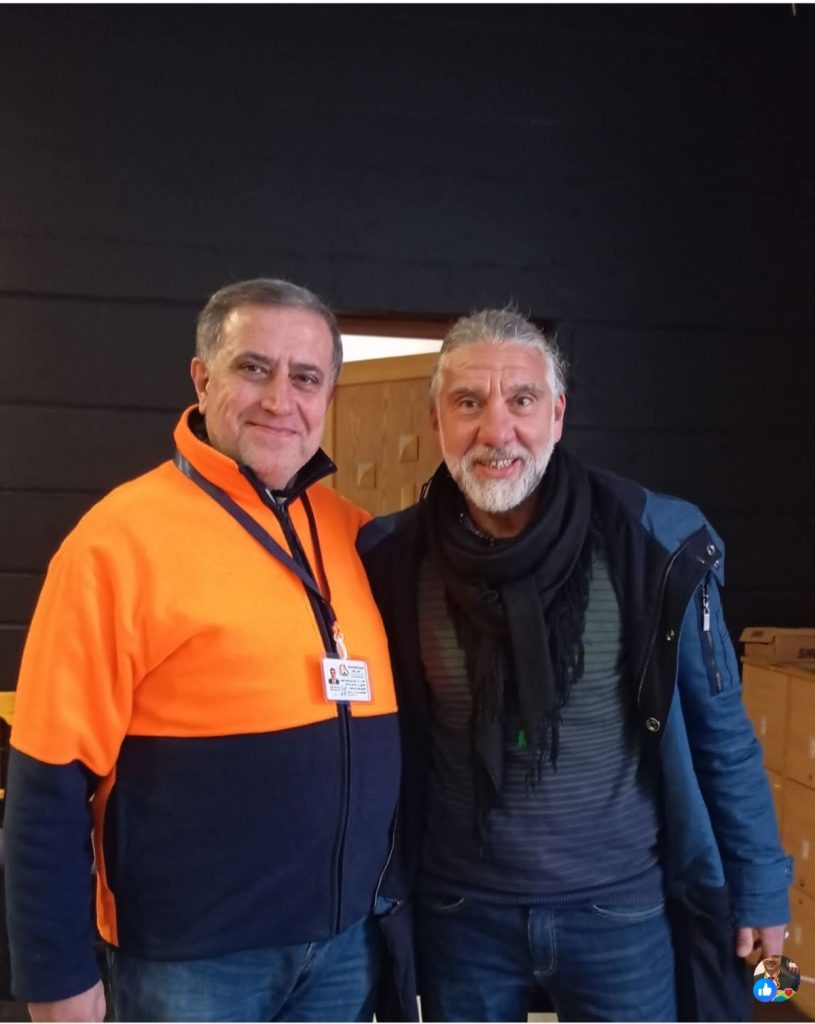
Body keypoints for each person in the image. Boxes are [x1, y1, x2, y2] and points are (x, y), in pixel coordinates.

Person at [360, 308, 792, 1022]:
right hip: (459, 914)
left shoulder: (651, 543)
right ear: (436, 420)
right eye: (468, 403)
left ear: (557, 415)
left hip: (621, 910)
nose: (497, 431)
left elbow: (719, 733)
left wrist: (760, 885)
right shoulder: (391, 559)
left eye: (522, 400)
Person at [5, 278, 401, 1022]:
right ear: (202, 377)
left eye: (305, 378)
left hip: (343, 949)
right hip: (190, 964)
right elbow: (45, 777)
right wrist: (54, 976)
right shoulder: (115, 544)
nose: (279, 399)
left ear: (328, 396)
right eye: (254, 368)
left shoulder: (352, 532)